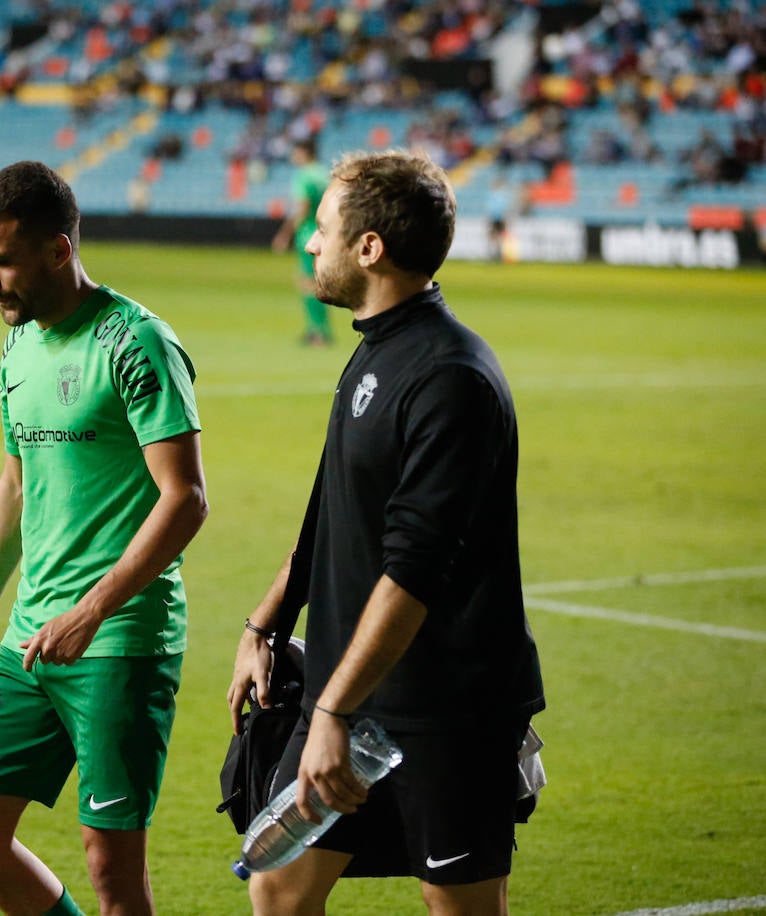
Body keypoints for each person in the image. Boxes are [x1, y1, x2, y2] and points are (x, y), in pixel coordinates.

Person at [228, 150, 545, 916]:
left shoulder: (449, 377)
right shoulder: (376, 352)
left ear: (369, 248)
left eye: (323, 228)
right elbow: (332, 510)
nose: (309, 242)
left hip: (444, 709)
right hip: (350, 692)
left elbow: (415, 569)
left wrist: (334, 712)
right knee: (277, 884)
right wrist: (266, 622)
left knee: (461, 906)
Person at [0, 160, 209, 916]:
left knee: (113, 874)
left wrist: (91, 611)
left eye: (0, 260)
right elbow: (17, 485)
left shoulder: (135, 343)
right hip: (31, 639)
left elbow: (184, 501)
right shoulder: (18, 347)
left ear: (58, 250)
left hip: (118, 641)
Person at [271, 137, 333, 347]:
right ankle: (322, 329)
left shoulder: (304, 176)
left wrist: (285, 234)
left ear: (304, 152)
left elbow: (302, 207)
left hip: (308, 234)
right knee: (319, 282)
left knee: (308, 283)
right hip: (326, 233)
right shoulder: (324, 174)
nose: (293, 156)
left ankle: (317, 332)